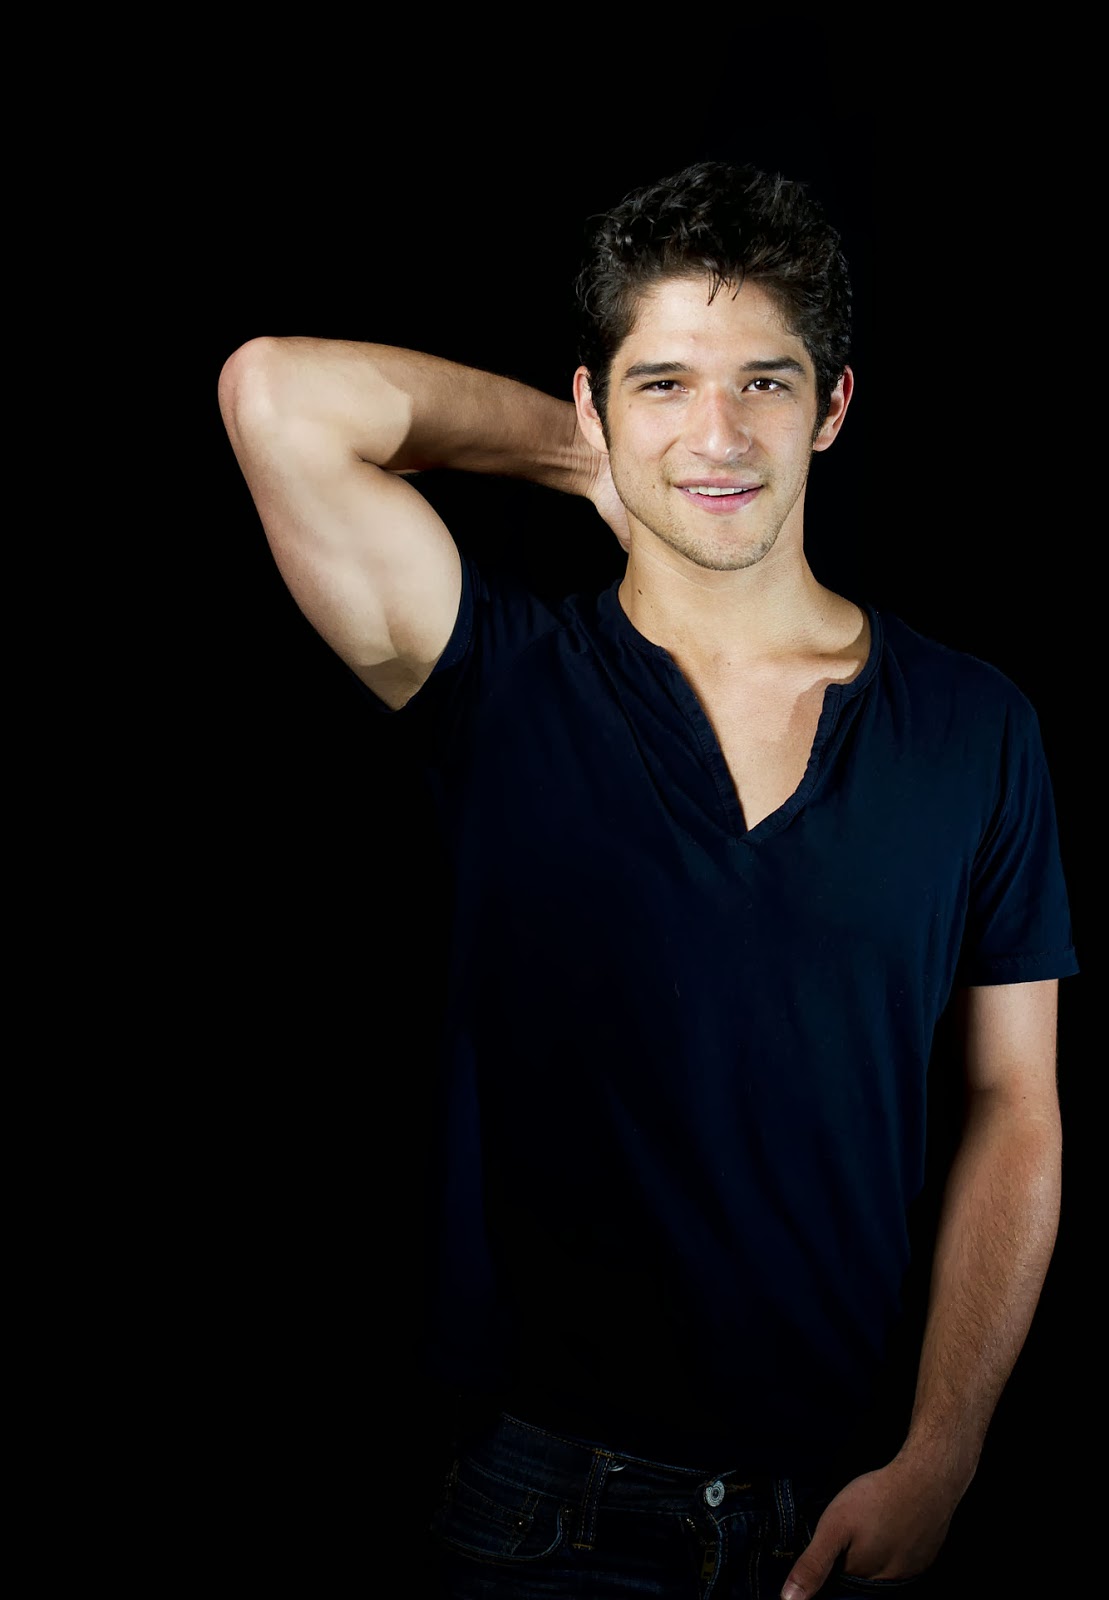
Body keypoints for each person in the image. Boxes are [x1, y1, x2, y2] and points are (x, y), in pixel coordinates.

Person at [217, 160, 1078, 1598]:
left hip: (842, 1505)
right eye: (663, 383)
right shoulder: (498, 676)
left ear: (833, 406)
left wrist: (945, 1451)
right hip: (541, 1513)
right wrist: (588, 466)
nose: (718, 433)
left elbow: (1016, 1104)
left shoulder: (975, 727)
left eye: (763, 382)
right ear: (595, 403)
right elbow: (274, 394)